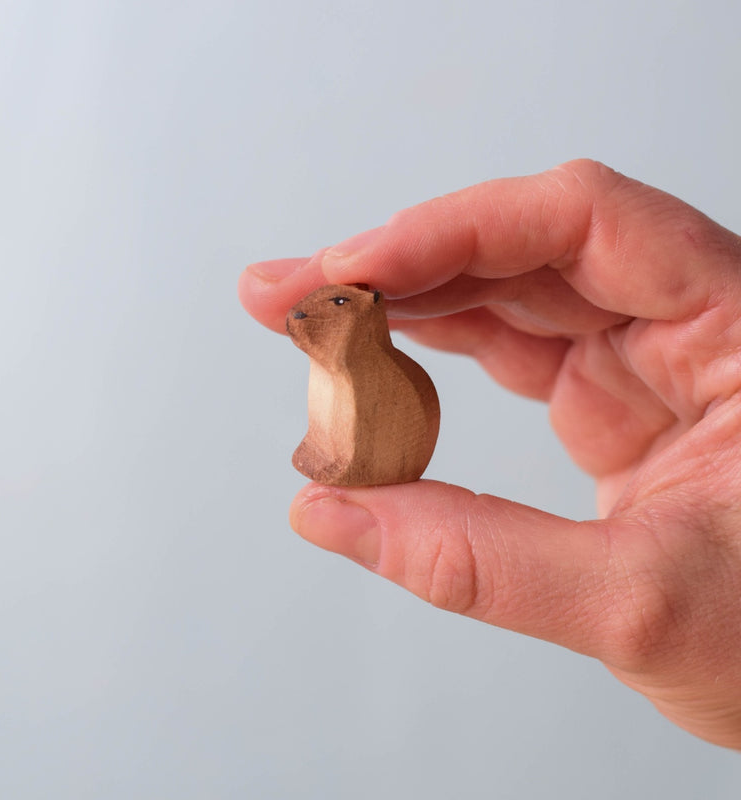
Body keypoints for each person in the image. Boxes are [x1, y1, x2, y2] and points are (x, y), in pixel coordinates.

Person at [237, 159, 741, 750]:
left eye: (334, 310)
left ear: (366, 315)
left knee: (348, 416)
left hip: (369, 450)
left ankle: (336, 456)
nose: (304, 317)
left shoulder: (370, 370)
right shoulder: (336, 368)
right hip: (343, 436)